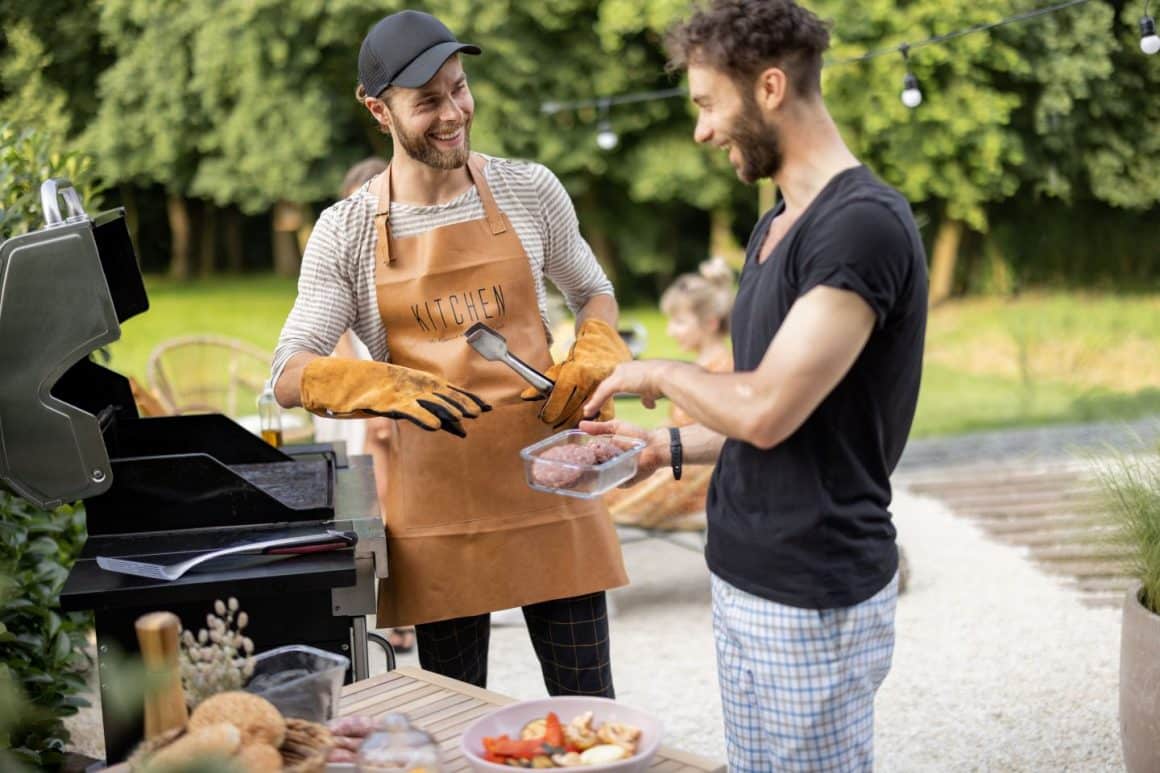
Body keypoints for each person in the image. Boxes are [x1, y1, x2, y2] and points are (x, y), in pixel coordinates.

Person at [582, 1, 928, 769]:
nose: (701, 130)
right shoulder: (776, 223)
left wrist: (654, 370)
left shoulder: (860, 225)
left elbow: (766, 408)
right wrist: (661, 445)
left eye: (708, 103)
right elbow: (775, 418)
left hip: (813, 586)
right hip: (742, 572)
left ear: (769, 86)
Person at [271, 10, 631, 695]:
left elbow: (595, 292)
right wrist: (377, 385)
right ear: (377, 109)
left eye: (459, 88)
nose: (453, 114)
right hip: (440, 517)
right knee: (459, 723)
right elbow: (288, 371)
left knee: (591, 712)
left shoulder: (530, 189)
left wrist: (592, 353)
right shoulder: (345, 232)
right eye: (427, 101)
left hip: (553, 490)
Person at [605, 257, 735, 527]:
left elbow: (714, 442)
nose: (669, 331)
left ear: (710, 323)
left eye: (679, 322)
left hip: (692, 478)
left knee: (603, 497)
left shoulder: (721, 369)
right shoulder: (700, 365)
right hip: (676, 463)